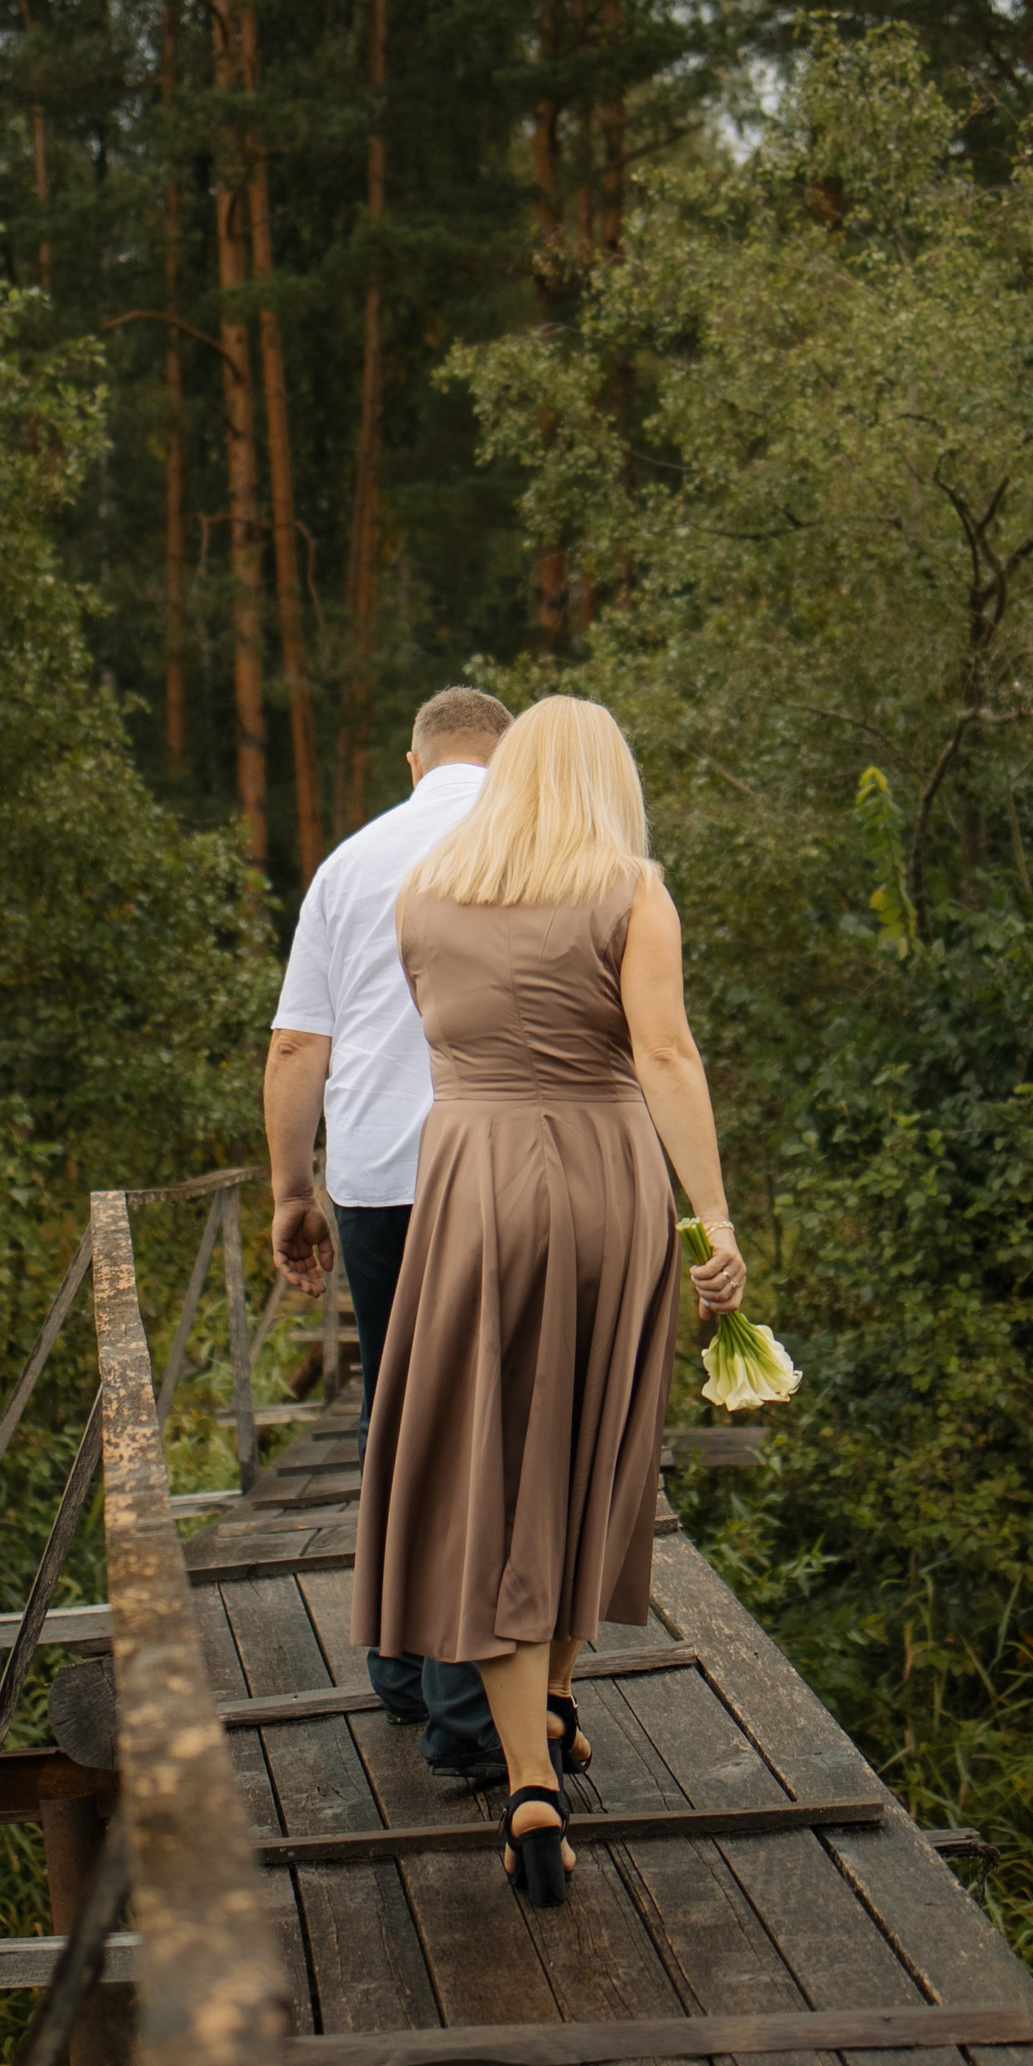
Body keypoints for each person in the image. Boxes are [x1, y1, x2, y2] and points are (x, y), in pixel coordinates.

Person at [352, 694, 747, 1909]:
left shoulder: (422, 896)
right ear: (604, 780)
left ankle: (531, 1771)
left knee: (495, 1462)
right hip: (602, 1180)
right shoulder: (630, 887)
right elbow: (665, 1053)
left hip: (471, 1179)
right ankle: (557, 1704)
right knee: (587, 1444)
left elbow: (440, 1033)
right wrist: (715, 1218)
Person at [264, 685, 511, 1780]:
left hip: (374, 1176)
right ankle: (466, 1711)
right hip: (506, 1167)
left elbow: (294, 1048)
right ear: (504, 764)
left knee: (400, 1402)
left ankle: (402, 1667)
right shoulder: (546, 850)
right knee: (485, 1417)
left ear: (412, 766)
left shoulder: (349, 863)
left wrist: (290, 1190)